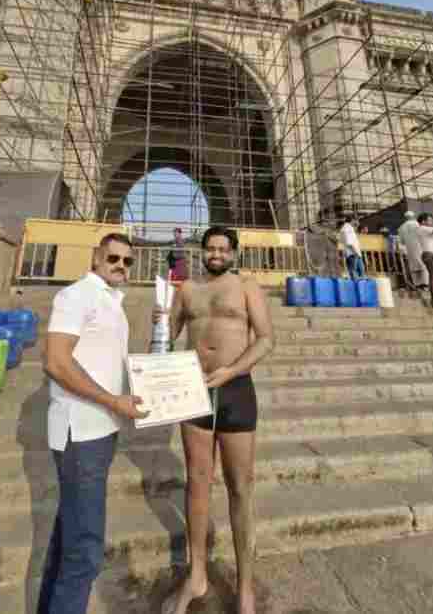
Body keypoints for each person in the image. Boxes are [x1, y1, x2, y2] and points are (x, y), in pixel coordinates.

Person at [160, 226, 275, 614]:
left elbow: (265, 338)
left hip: (235, 388)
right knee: (197, 482)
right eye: (210, 248)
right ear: (202, 251)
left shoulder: (246, 286)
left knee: (240, 486)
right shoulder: (187, 291)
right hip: (193, 390)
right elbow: (166, 337)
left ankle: (244, 588)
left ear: (234, 253)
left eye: (223, 249)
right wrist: (159, 324)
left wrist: (230, 371)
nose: (216, 254)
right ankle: (197, 576)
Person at [37, 232, 149, 614]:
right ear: (96, 258)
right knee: (84, 551)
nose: (120, 265)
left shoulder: (110, 301)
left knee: (68, 537)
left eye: (127, 261)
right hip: (80, 432)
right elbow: (56, 362)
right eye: (113, 258)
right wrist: (111, 400)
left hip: (100, 430)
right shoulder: (76, 295)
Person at [397, 210, 428, 292]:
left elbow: (401, 241)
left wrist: (403, 251)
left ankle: (417, 285)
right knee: (423, 266)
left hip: (409, 250)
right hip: (420, 247)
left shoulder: (401, 227)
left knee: (413, 267)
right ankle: (425, 284)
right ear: (413, 216)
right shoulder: (417, 224)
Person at [338, 214, 365, 279]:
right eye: (356, 221)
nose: (357, 223)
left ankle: (360, 287)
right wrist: (356, 253)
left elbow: (342, 240)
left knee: (360, 273)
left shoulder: (348, 228)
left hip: (354, 253)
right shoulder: (347, 228)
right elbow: (349, 242)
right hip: (353, 254)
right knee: (355, 274)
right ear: (352, 220)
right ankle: (357, 288)